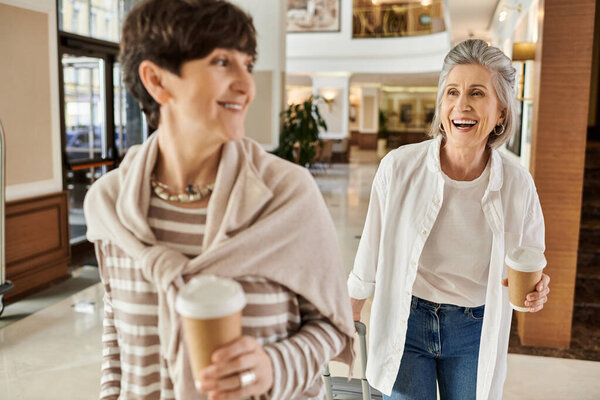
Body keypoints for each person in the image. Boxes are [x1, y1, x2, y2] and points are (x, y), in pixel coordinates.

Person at [84, 1, 355, 399]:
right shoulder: (109, 207)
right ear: (157, 81)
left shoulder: (287, 195)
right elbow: (116, 329)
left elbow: (332, 326)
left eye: (247, 63)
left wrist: (272, 367)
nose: (247, 84)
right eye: (222, 62)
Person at [348, 39, 551, 400]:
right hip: (405, 322)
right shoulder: (398, 168)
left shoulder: (518, 184)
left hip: (474, 330)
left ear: (502, 111)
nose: (462, 105)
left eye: (477, 93)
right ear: (442, 104)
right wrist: (347, 318)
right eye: (452, 92)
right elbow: (369, 252)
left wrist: (534, 294)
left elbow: (529, 261)